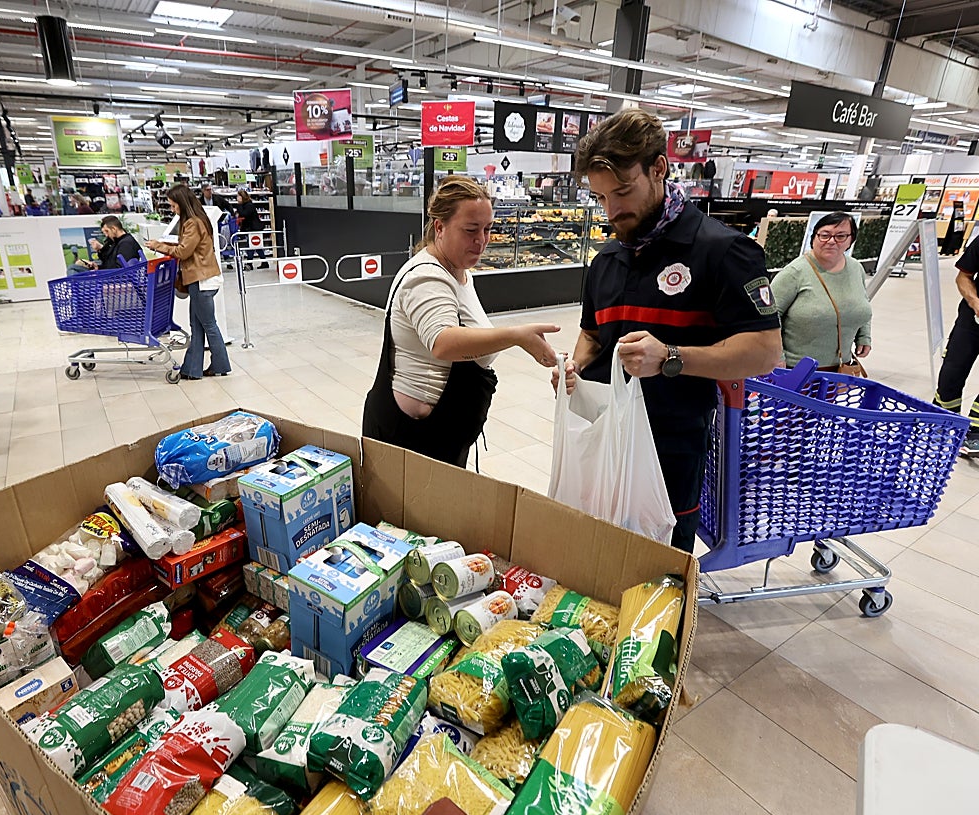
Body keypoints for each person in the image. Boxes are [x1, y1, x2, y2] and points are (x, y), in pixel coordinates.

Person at [559, 109, 782, 551]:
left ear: (659, 168)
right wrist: (574, 366)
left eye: (622, 191)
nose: (612, 210)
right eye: (601, 199)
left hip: (670, 449)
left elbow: (764, 351)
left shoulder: (723, 252)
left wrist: (672, 357)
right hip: (605, 439)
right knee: (596, 550)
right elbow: (591, 335)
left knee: (657, 567)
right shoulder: (606, 261)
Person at [362, 175, 561, 468]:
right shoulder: (427, 277)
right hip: (411, 440)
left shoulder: (459, 272)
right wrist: (516, 336)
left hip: (441, 438)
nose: (481, 241)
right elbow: (443, 344)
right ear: (439, 227)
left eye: (487, 229)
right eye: (470, 230)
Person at [144, 185, 231, 380]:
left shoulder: (192, 223)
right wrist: (165, 245)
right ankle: (192, 369)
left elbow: (184, 252)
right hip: (204, 278)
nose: (173, 209)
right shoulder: (198, 220)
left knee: (207, 325)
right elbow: (187, 246)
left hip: (201, 280)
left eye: (174, 206)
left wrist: (158, 246)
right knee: (198, 325)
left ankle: (219, 364)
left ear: (182, 203)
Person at [770, 212, 872, 370]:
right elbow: (768, 315)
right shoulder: (795, 272)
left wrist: (864, 336)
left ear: (851, 239)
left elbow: (862, 304)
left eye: (840, 236)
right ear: (814, 237)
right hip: (797, 371)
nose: (831, 241)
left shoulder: (855, 268)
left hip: (841, 368)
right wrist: (776, 356)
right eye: (825, 235)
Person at [933, 234, 979, 457]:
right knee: (952, 370)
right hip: (972, 318)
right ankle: (944, 419)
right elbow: (964, 276)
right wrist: (975, 302)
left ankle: (976, 434)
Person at [78, 216, 142, 271]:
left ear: (114, 229)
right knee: (78, 266)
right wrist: (98, 267)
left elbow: (118, 269)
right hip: (111, 277)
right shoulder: (118, 241)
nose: (106, 235)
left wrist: (100, 271)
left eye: (107, 231)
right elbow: (109, 262)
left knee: (74, 268)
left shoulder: (126, 244)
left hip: (115, 280)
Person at [234, 188, 268, 269]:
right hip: (251, 228)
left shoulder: (249, 205)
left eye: (238, 196)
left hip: (253, 228)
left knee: (252, 245)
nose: (237, 198)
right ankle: (264, 262)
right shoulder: (247, 205)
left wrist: (238, 205)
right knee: (256, 245)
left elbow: (243, 214)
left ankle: (249, 263)